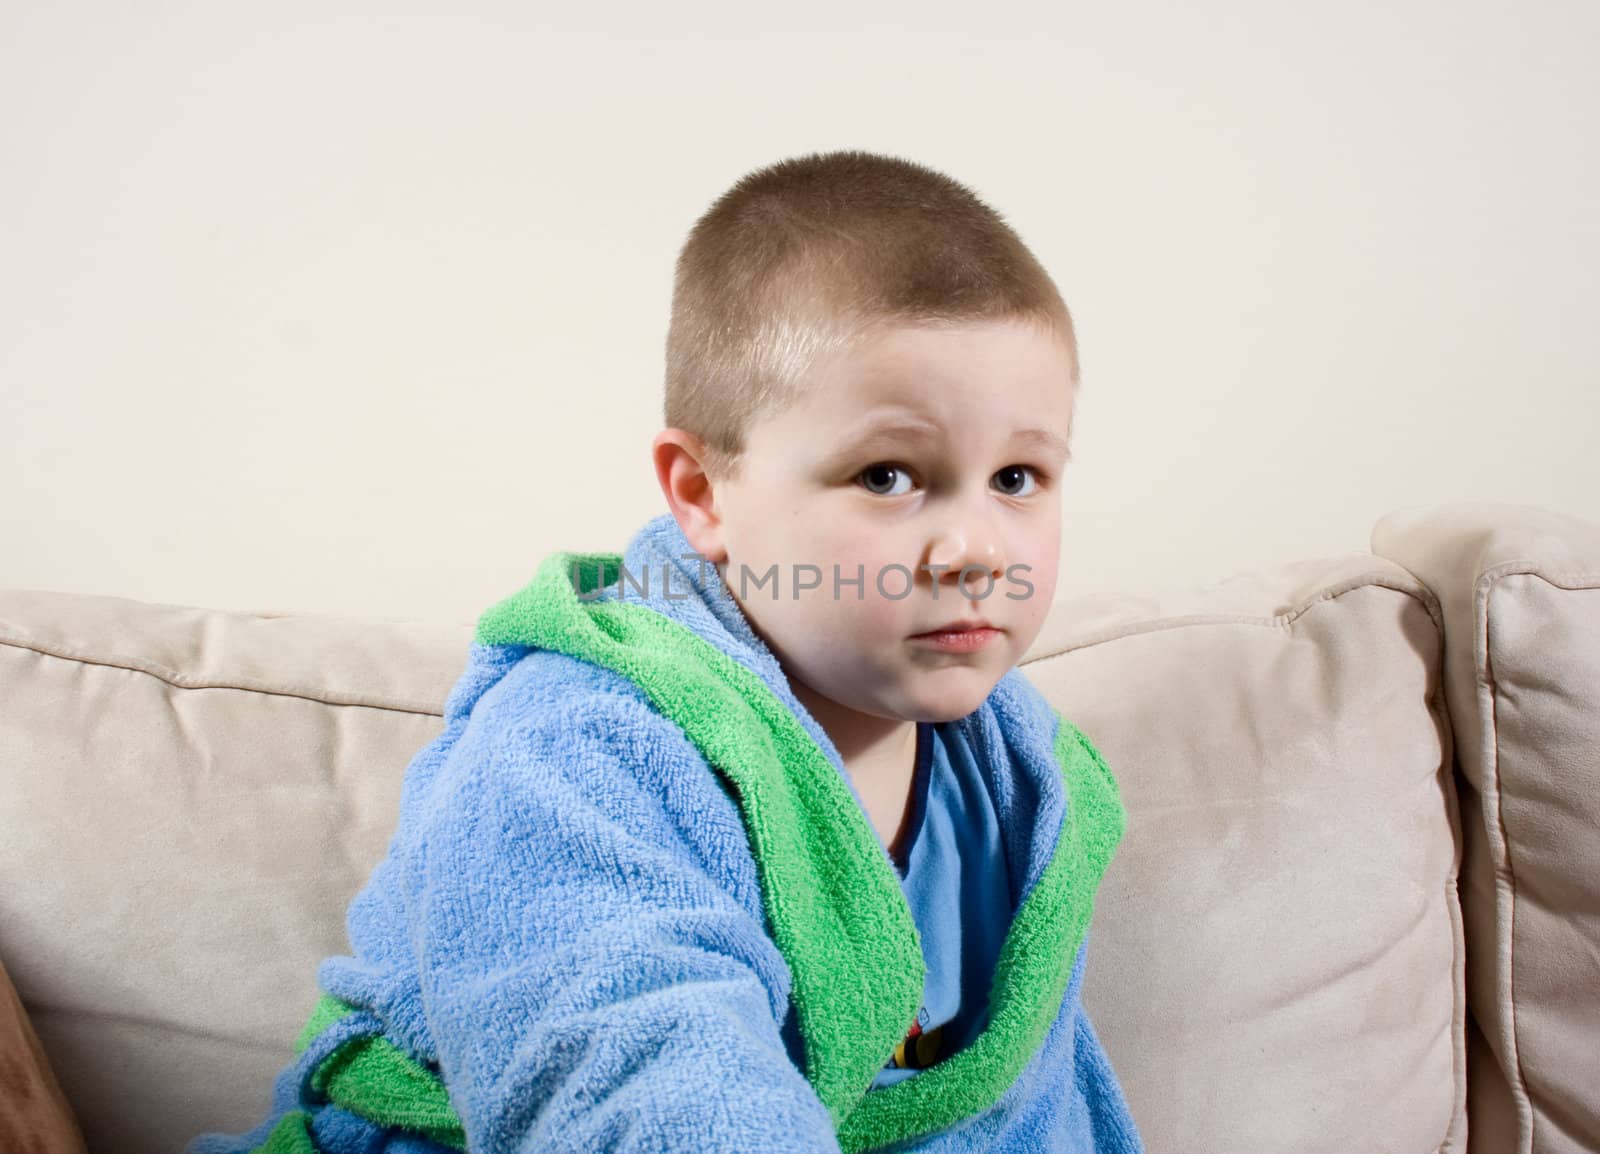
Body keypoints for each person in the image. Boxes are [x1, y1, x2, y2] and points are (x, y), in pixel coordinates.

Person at [187, 148, 1143, 1154]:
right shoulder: (575, 748)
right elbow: (635, 1081)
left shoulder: (1020, 788)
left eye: (1020, 476)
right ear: (700, 493)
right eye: (889, 473)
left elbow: (1020, 1112)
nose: (978, 548)